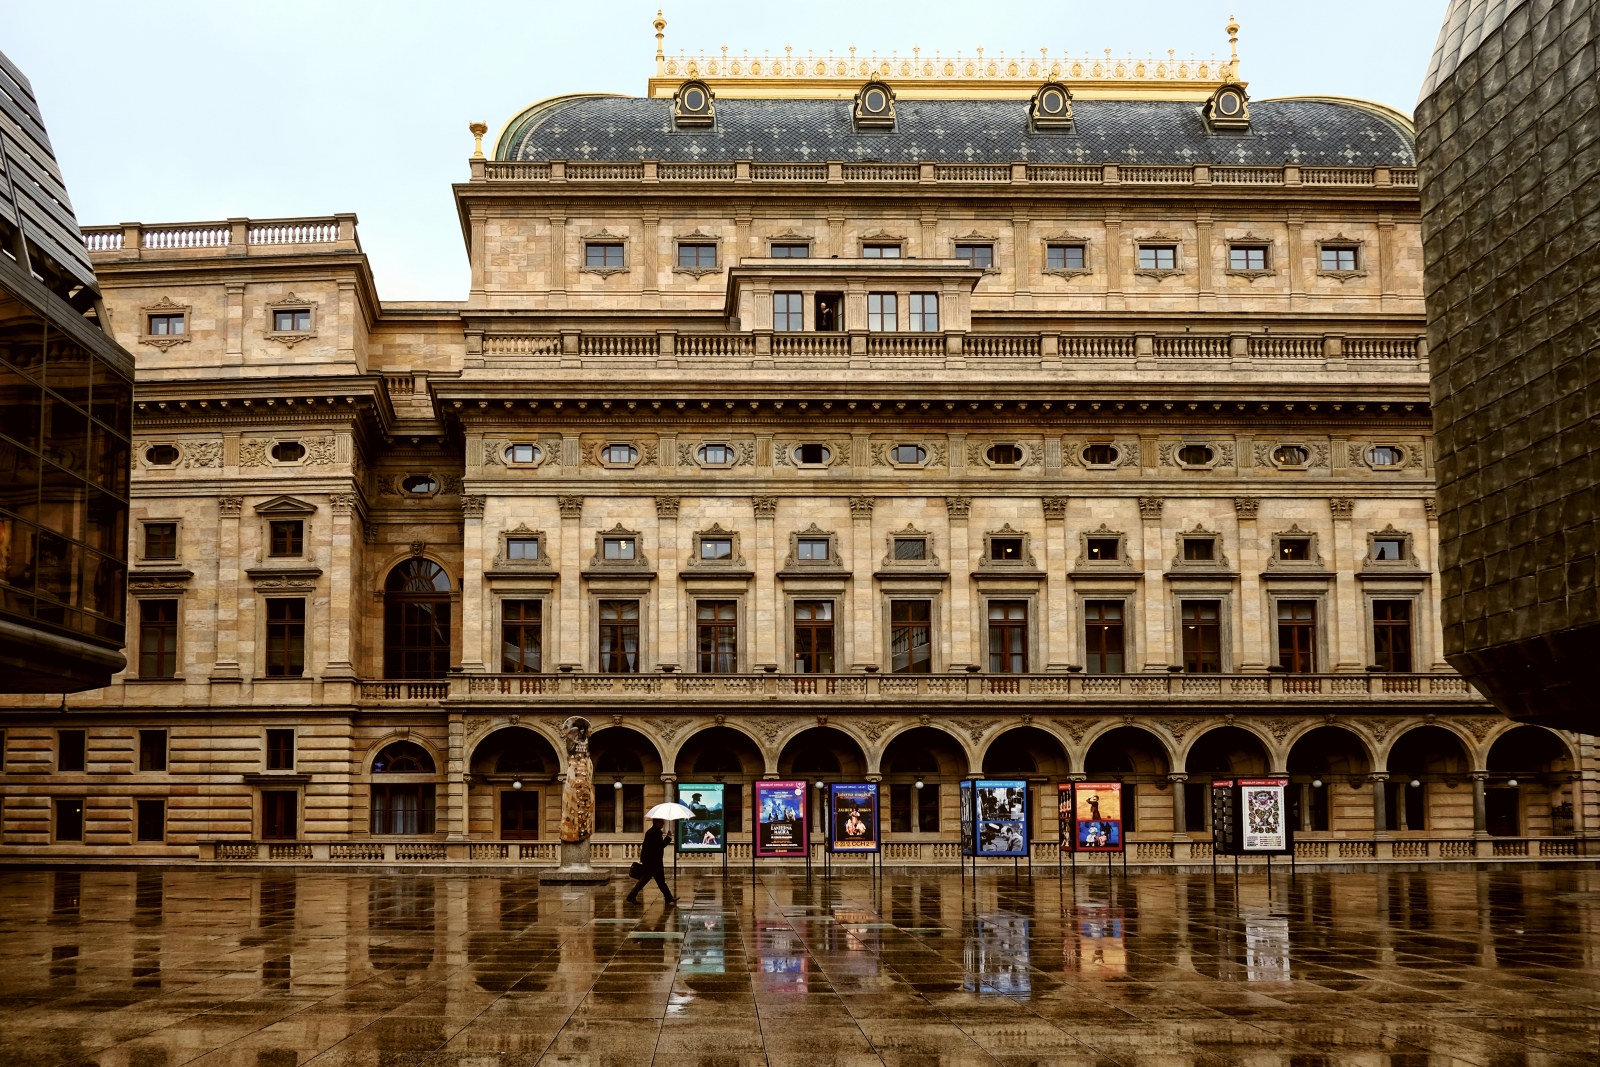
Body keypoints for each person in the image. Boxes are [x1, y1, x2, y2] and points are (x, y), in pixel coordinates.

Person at [625, 818, 676, 905]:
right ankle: (631, 896)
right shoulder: (653, 833)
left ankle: (668, 897)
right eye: (661, 823)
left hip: (652, 862)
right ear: (657, 823)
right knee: (651, 881)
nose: (663, 824)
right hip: (653, 863)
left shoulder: (653, 832)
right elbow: (659, 846)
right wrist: (668, 837)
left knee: (656, 881)